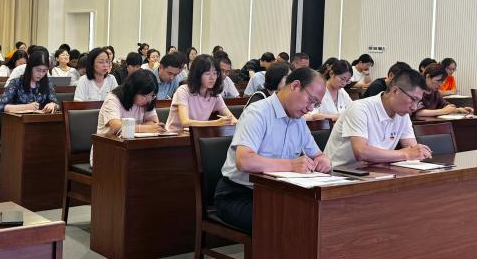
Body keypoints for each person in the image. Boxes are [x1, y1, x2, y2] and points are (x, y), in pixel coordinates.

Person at [215, 67, 331, 233]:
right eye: (311, 100)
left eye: (316, 104)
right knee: (288, 222)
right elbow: (244, 161)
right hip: (239, 195)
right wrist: (291, 165)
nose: (311, 108)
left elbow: (318, 154)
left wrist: (323, 161)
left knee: (321, 215)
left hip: (278, 194)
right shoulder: (257, 113)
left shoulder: (298, 121)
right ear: (295, 85)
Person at [324, 69, 432, 167]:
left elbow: (412, 149)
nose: (414, 107)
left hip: (373, 170)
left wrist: (416, 153)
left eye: (418, 102)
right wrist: (405, 154)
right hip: (338, 172)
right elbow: (361, 152)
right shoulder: (360, 108)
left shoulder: (403, 114)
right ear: (395, 91)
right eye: (413, 99)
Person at [166, 55, 237, 132]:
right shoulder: (183, 91)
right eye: (207, 73)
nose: (212, 78)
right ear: (197, 74)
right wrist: (216, 123)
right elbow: (185, 122)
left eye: (215, 73)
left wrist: (235, 122)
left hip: (197, 135)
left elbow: (232, 118)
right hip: (175, 135)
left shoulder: (214, 95)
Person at [97, 69, 163, 137]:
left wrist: (144, 128)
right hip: (109, 141)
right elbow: (116, 126)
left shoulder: (149, 101)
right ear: (132, 90)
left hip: (135, 141)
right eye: (144, 95)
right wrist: (145, 128)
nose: (149, 100)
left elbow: (154, 123)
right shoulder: (113, 99)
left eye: (152, 95)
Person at [0, 49, 59, 114]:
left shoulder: (47, 82)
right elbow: (0, 106)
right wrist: (26, 107)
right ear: (30, 68)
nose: (41, 74)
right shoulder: (16, 83)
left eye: (44, 71)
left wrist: (53, 105)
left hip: (41, 118)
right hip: (19, 118)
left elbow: (56, 103)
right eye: (38, 70)